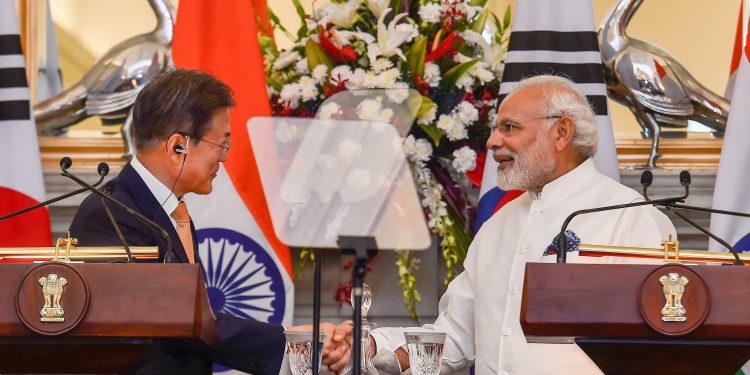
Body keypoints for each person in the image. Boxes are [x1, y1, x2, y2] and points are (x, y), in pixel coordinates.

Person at [324, 75, 676, 374]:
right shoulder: (497, 225)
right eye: (495, 129)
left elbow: (653, 353)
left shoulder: (632, 218)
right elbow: (453, 339)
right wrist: (369, 347)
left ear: (562, 132)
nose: (492, 142)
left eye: (509, 127)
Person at [69, 68, 344, 374]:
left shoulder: (173, 212)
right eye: (221, 144)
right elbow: (172, 316)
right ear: (178, 147)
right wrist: (293, 342)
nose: (225, 157)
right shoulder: (108, 215)